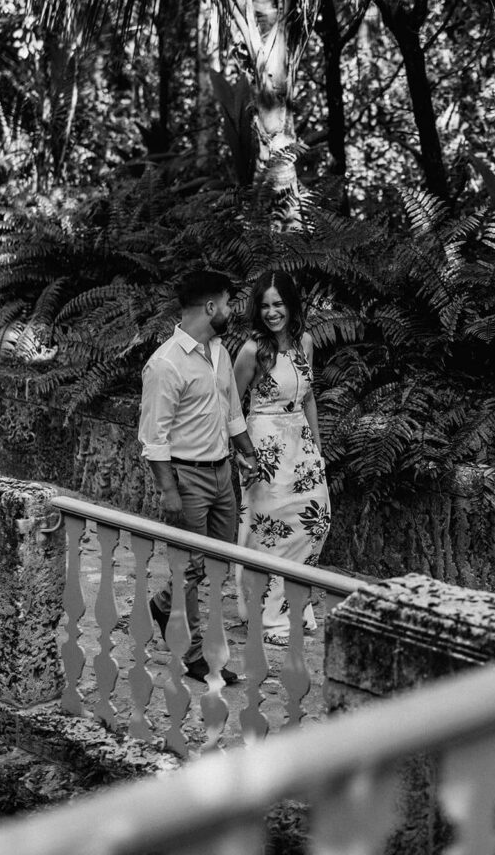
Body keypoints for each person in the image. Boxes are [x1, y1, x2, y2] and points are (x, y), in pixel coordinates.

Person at [139, 270, 258, 684]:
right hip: (186, 477)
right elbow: (154, 439)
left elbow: (231, 413)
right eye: (226, 303)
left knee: (219, 559)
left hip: (223, 474)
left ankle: (162, 603)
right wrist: (168, 492)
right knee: (188, 568)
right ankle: (193, 657)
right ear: (210, 307)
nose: (230, 310)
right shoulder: (165, 364)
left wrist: (247, 454)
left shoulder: (221, 352)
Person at [233, 271, 331, 645]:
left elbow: (308, 397)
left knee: (315, 521)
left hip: (301, 444)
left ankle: (294, 603)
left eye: (279, 304)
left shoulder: (304, 341)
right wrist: (243, 452)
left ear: (291, 305)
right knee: (270, 530)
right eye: (265, 306)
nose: (273, 312)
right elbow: (230, 404)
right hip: (265, 446)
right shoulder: (251, 351)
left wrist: (317, 451)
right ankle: (269, 617)